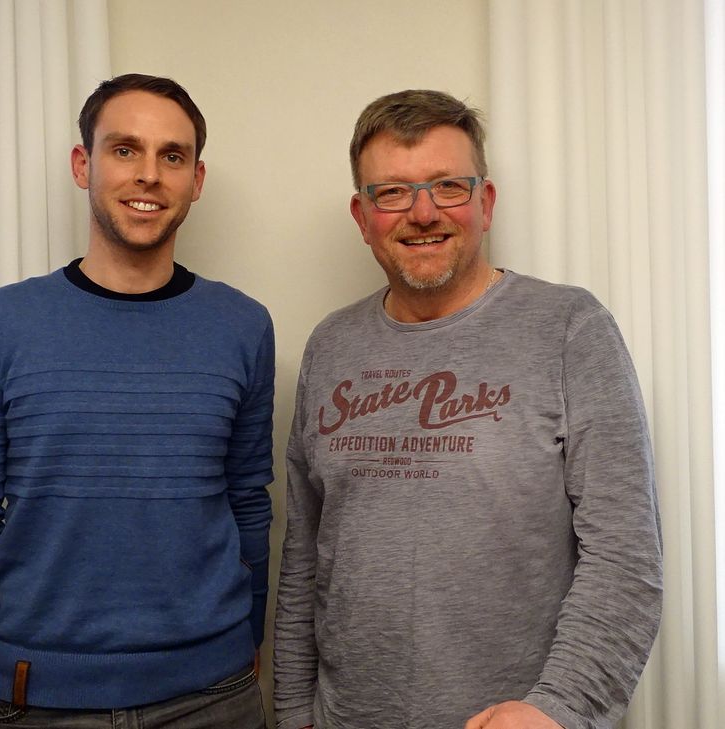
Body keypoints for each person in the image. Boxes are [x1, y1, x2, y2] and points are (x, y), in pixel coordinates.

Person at [272, 90, 662, 729]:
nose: (423, 213)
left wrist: (556, 710)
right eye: (392, 192)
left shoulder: (569, 327)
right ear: (362, 214)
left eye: (447, 186)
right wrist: (292, 711)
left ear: (485, 201)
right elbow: (306, 553)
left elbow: (626, 557)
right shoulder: (331, 346)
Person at [0, 74, 274, 729]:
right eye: (124, 150)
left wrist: (247, 640)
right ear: (83, 164)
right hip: (38, 700)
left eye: (171, 156)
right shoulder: (1, 326)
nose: (148, 174)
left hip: (215, 697)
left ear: (196, 179)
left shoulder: (243, 326)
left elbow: (247, 501)